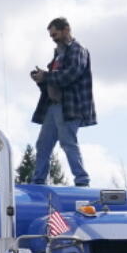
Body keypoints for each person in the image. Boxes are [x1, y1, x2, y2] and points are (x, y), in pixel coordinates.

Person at [29, 16, 95, 186]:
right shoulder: (57, 56)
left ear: (66, 29)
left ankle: (82, 180)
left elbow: (71, 74)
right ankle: (38, 181)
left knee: (68, 142)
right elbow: (53, 81)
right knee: (43, 144)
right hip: (53, 106)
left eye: (55, 34)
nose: (53, 38)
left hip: (69, 107)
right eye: (51, 36)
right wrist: (41, 79)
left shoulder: (78, 50)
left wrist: (47, 76)